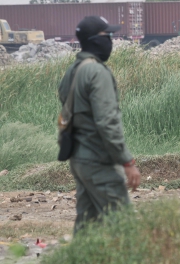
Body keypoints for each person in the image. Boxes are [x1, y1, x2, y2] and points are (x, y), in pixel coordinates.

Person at [58, 16, 141, 234]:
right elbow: (107, 122)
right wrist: (127, 161)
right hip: (98, 160)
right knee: (124, 226)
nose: (111, 40)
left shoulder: (72, 70)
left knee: (87, 226)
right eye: (108, 36)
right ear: (95, 40)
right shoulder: (97, 72)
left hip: (78, 158)